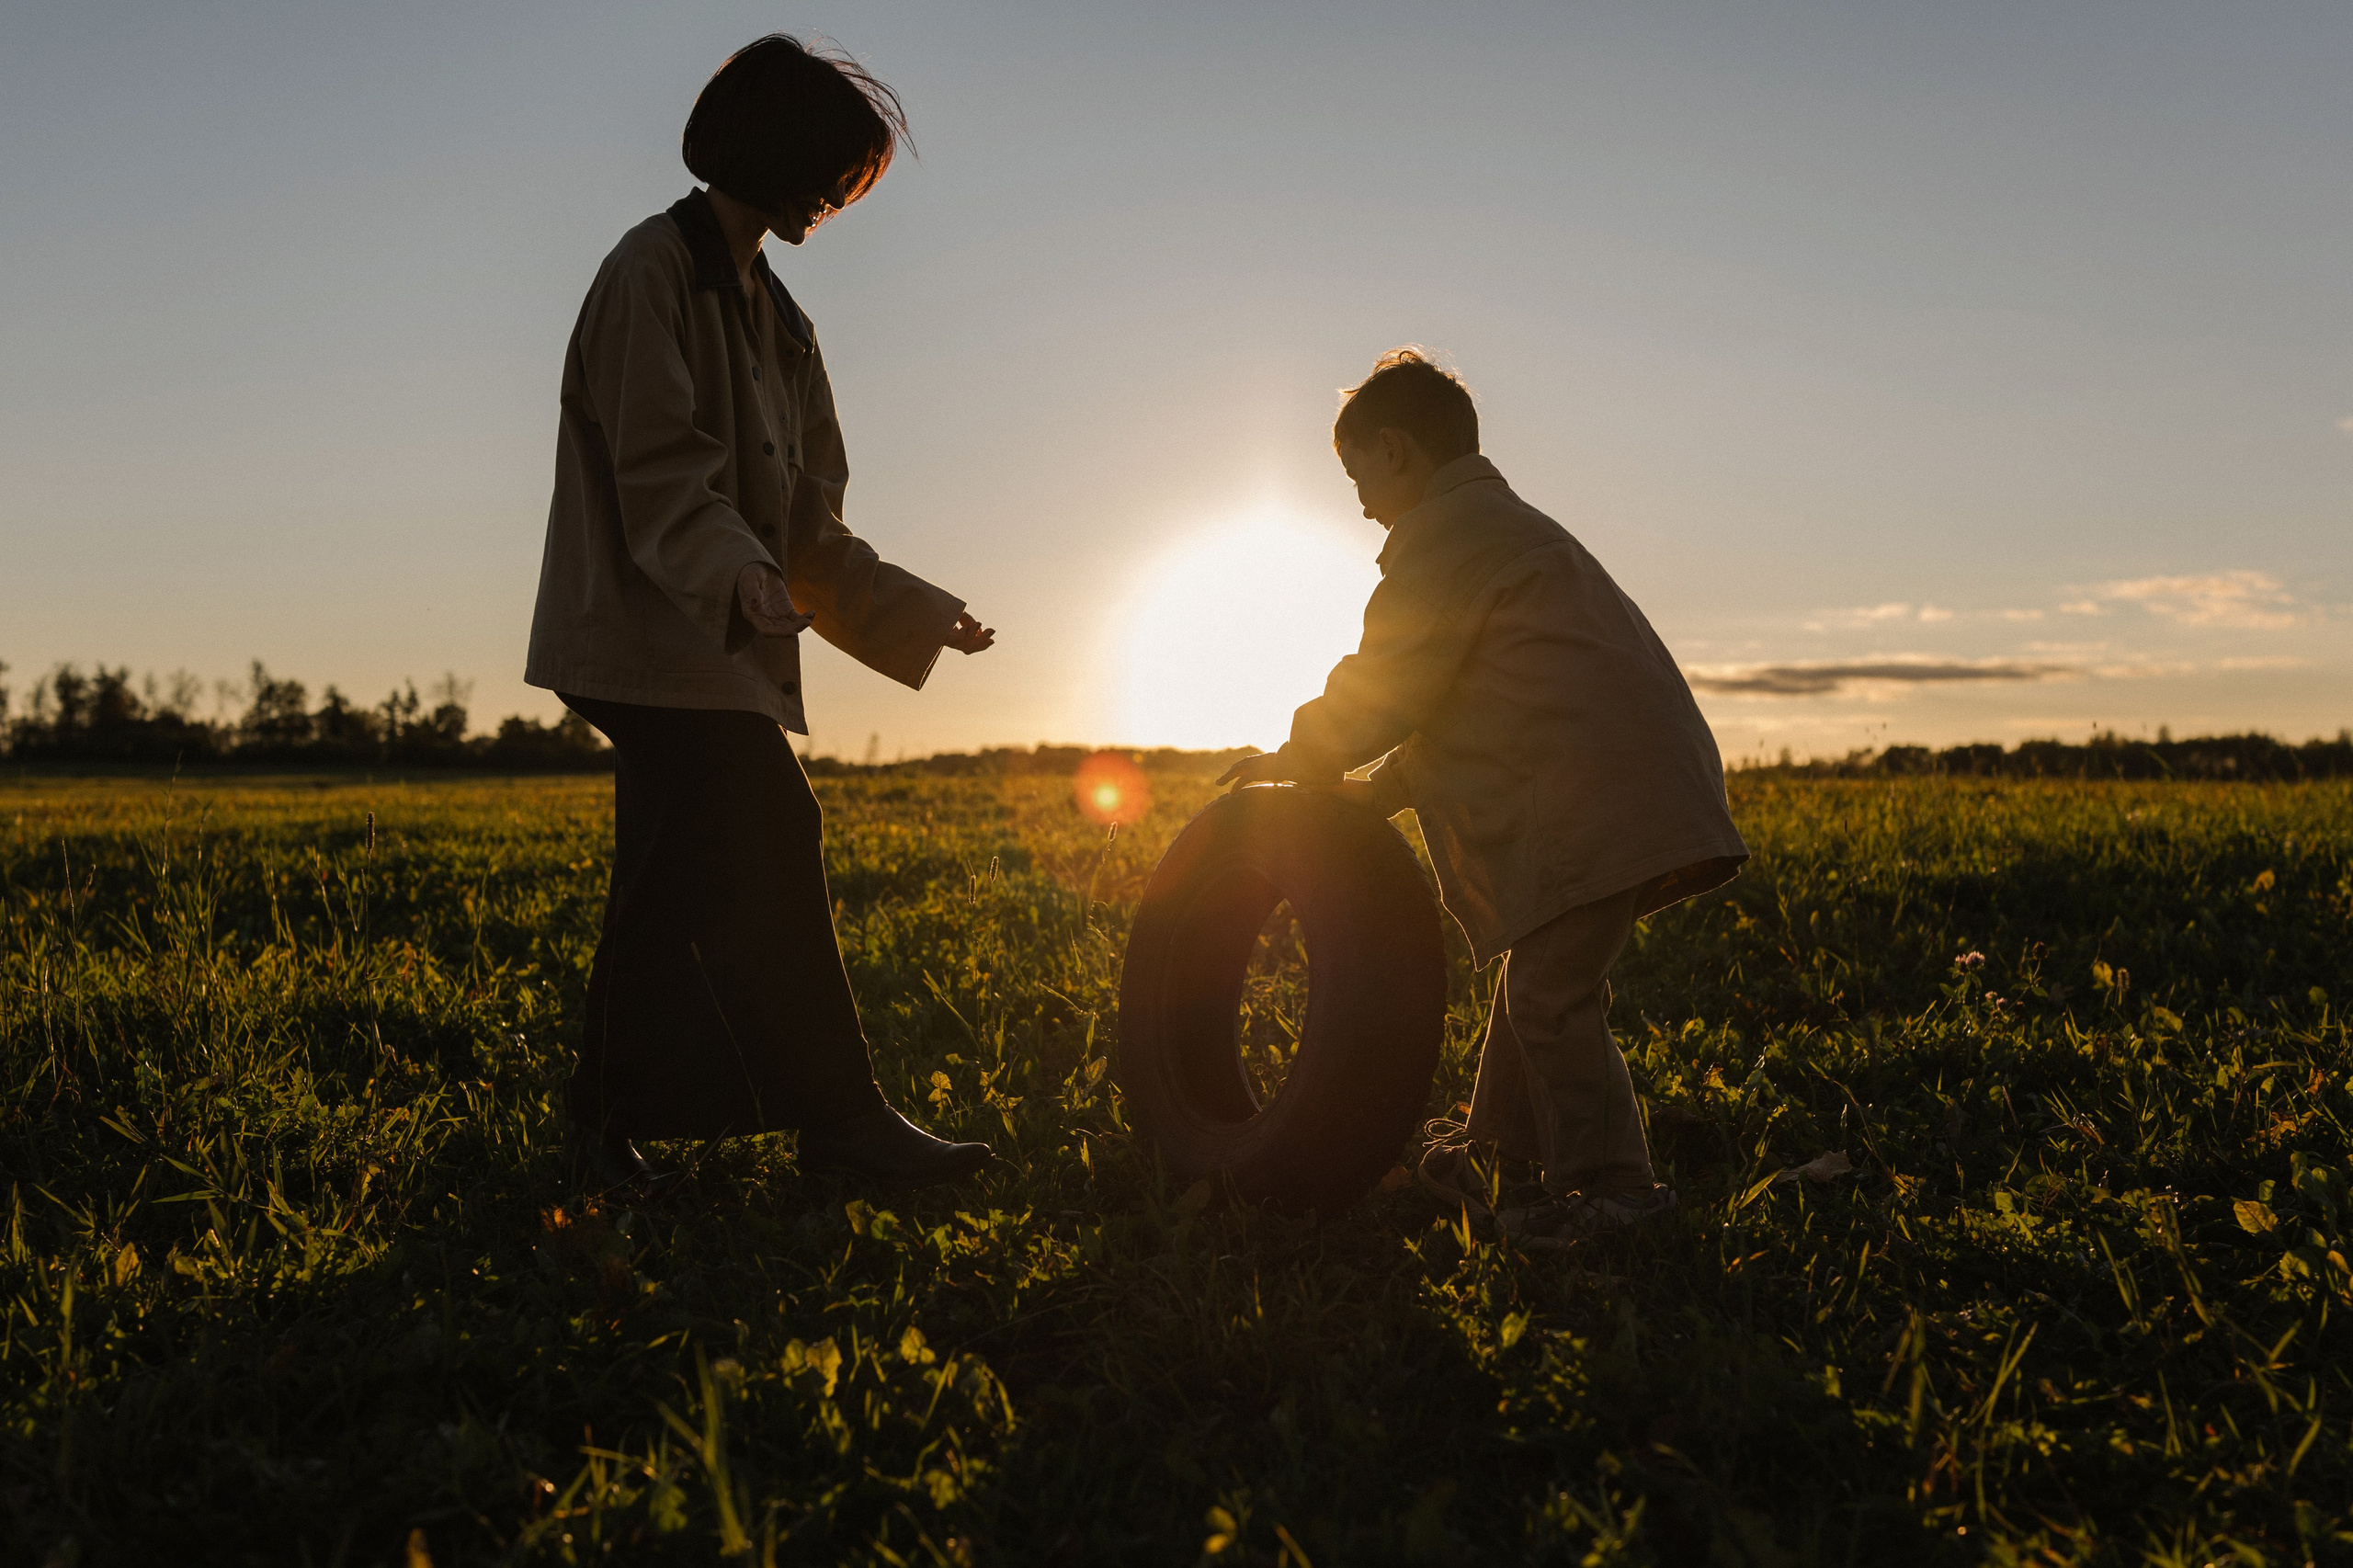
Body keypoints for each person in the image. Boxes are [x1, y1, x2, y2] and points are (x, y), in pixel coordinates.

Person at [526, 35, 995, 1195]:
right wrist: (734, 575)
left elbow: (809, 528)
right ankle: (838, 1122)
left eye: (851, 178)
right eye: (832, 169)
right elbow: (659, 470)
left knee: (675, 874)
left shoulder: (783, 323)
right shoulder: (650, 272)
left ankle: (600, 1128)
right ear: (773, 148)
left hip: (716, 652)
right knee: (769, 833)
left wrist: (909, 609)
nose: (837, 196)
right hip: (642, 638)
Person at [1218, 349, 1748, 1246]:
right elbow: (1456, 715)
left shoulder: (1446, 542)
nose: (1357, 502)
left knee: (1549, 997)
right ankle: (1492, 1152)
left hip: (1586, 798)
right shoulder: (1509, 532)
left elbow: (1388, 684)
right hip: (1622, 786)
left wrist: (1300, 752)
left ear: (1393, 450)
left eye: (1356, 476)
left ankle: (1617, 1192)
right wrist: (1359, 790)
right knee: (1533, 977)